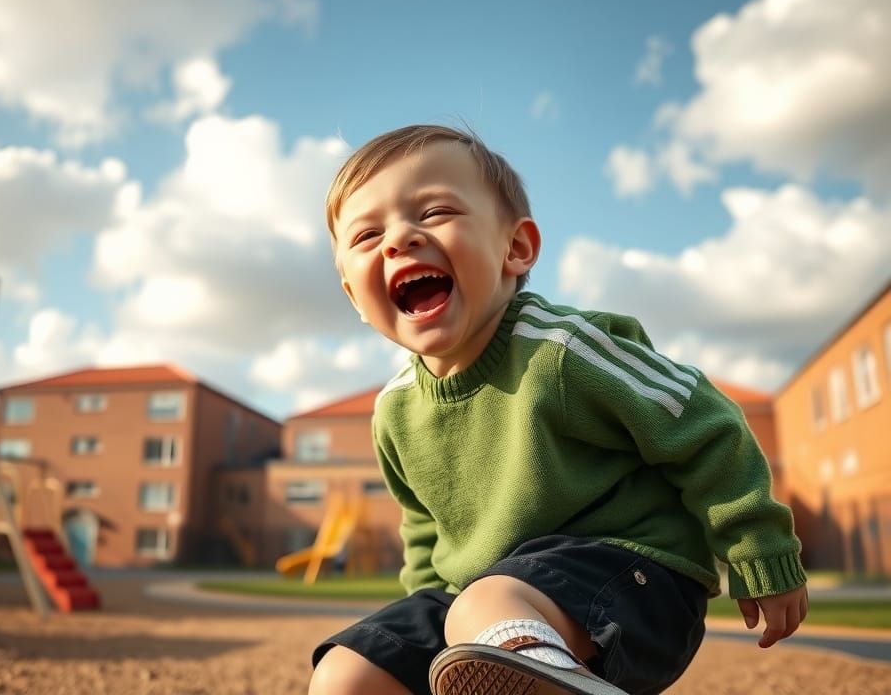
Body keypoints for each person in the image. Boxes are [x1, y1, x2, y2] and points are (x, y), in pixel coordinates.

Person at [308, 125, 808, 695]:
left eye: (435, 211)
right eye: (368, 235)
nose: (399, 239)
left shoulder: (564, 349)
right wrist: (426, 624)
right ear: (353, 294)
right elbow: (424, 527)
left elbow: (700, 422)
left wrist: (759, 544)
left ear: (515, 249)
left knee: (487, 602)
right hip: (484, 606)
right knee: (346, 673)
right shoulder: (393, 411)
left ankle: (545, 676)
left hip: (637, 581)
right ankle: (508, 663)